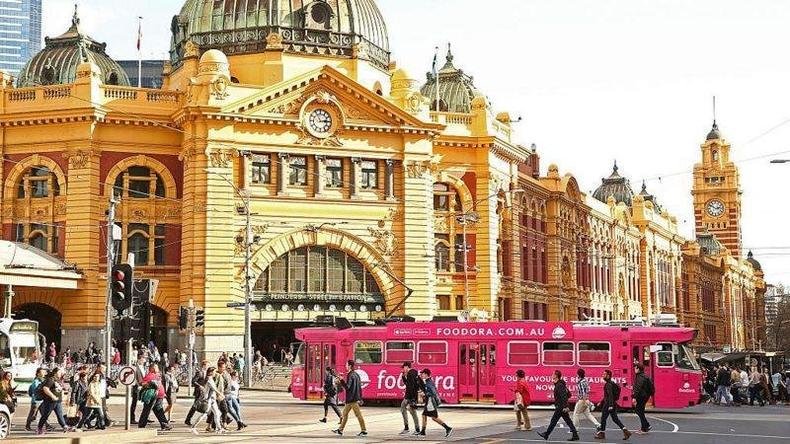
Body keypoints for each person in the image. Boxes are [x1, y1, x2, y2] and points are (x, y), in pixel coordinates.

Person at [536, 370, 579, 441]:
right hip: (561, 406)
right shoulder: (560, 384)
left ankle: (546, 434)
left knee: (554, 421)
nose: (552, 375)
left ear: (556, 376)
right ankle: (575, 435)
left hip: (560, 407)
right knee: (568, 421)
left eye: (553, 374)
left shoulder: (559, 385)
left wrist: (565, 406)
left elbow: (564, 396)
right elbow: (568, 394)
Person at [332, 360, 367, 437]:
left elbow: (347, 387)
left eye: (347, 365)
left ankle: (363, 430)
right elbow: (359, 387)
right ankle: (340, 430)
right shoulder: (356, 374)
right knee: (345, 414)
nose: (346, 366)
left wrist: (341, 380)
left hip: (352, 399)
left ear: (350, 366)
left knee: (358, 415)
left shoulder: (350, 375)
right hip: (353, 398)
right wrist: (360, 398)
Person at [594, 369, 631, 441]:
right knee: (615, 419)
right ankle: (625, 431)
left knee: (603, 419)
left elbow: (610, 395)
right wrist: (601, 402)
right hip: (612, 403)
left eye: (604, 374)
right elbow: (607, 396)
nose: (603, 375)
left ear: (608, 376)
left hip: (608, 404)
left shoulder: (608, 384)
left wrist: (610, 405)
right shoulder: (611, 383)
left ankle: (602, 434)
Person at [188, 367, 226, 435]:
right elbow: (214, 389)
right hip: (208, 400)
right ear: (211, 372)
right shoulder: (209, 380)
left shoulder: (210, 379)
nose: (215, 373)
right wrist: (221, 395)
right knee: (204, 414)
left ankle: (219, 428)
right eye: (214, 372)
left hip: (212, 399)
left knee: (217, 413)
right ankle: (193, 427)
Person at [37, 367, 74, 434]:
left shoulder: (57, 380)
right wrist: (53, 396)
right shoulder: (50, 380)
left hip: (57, 401)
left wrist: (64, 397)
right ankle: (39, 428)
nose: (61, 374)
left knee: (60, 415)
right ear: (55, 373)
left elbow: (60, 390)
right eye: (59, 372)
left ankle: (65, 426)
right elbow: (45, 388)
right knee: (45, 415)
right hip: (50, 401)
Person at [417, 368, 452, 437]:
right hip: (429, 402)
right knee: (424, 415)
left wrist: (424, 394)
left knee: (434, 417)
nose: (422, 375)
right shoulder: (427, 381)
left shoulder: (429, 383)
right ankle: (423, 432)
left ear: (426, 374)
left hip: (431, 402)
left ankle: (448, 428)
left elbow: (433, 392)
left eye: (423, 374)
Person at [137, 364, 172, 431]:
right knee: (147, 410)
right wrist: (150, 384)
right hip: (153, 396)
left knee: (159, 410)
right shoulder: (150, 375)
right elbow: (142, 383)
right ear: (152, 368)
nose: (158, 369)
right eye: (156, 367)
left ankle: (164, 424)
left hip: (159, 396)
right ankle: (141, 425)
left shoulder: (157, 375)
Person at [399, 361, 422, 435]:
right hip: (410, 395)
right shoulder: (413, 373)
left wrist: (412, 399)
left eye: (403, 367)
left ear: (407, 367)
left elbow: (411, 386)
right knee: (404, 408)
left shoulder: (410, 374)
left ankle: (415, 429)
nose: (402, 369)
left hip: (410, 396)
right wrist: (403, 376)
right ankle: (410, 428)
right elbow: (408, 384)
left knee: (411, 411)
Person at [185, 360, 209, 426]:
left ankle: (209, 419)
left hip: (204, 392)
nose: (207, 367)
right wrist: (199, 386)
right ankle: (188, 419)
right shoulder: (200, 373)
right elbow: (193, 381)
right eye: (207, 365)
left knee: (206, 405)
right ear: (204, 365)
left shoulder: (206, 373)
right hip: (199, 392)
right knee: (195, 406)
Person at [632, 364, 654, 434]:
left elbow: (638, 387)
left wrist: (634, 397)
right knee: (640, 411)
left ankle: (646, 426)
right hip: (645, 396)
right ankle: (644, 427)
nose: (634, 370)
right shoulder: (645, 376)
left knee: (638, 411)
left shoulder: (640, 377)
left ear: (638, 369)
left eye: (635, 368)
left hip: (641, 396)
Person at [130, 353, 148, 423]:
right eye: (143, 359)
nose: (144, 360)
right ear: (139, 359)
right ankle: (132, 418)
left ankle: (146, 417)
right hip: (137, 388)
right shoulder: (135, 368)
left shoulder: (144, 367)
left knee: (146, 402)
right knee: (134, 403)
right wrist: (138, 385)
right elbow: (134, 378)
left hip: (143, 387)